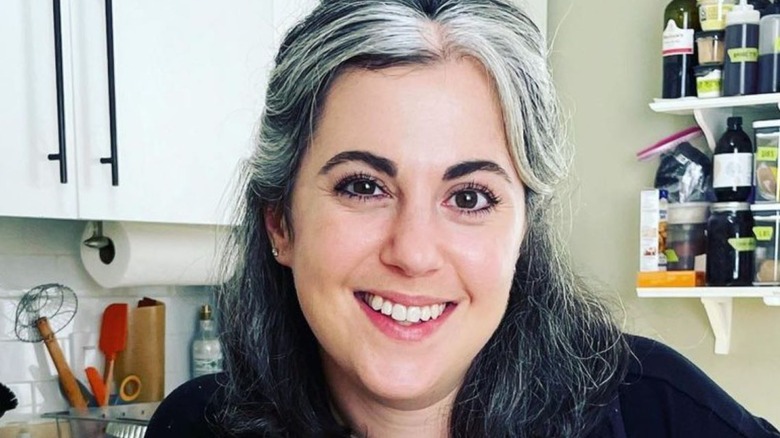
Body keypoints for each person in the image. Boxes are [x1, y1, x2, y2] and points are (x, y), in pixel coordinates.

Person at [147, 1, 780, 436]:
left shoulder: (656, 415)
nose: (414, 252)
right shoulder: (197, 426)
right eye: (364, 187)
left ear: (522, 229)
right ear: (280, 223)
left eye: (470, 197)